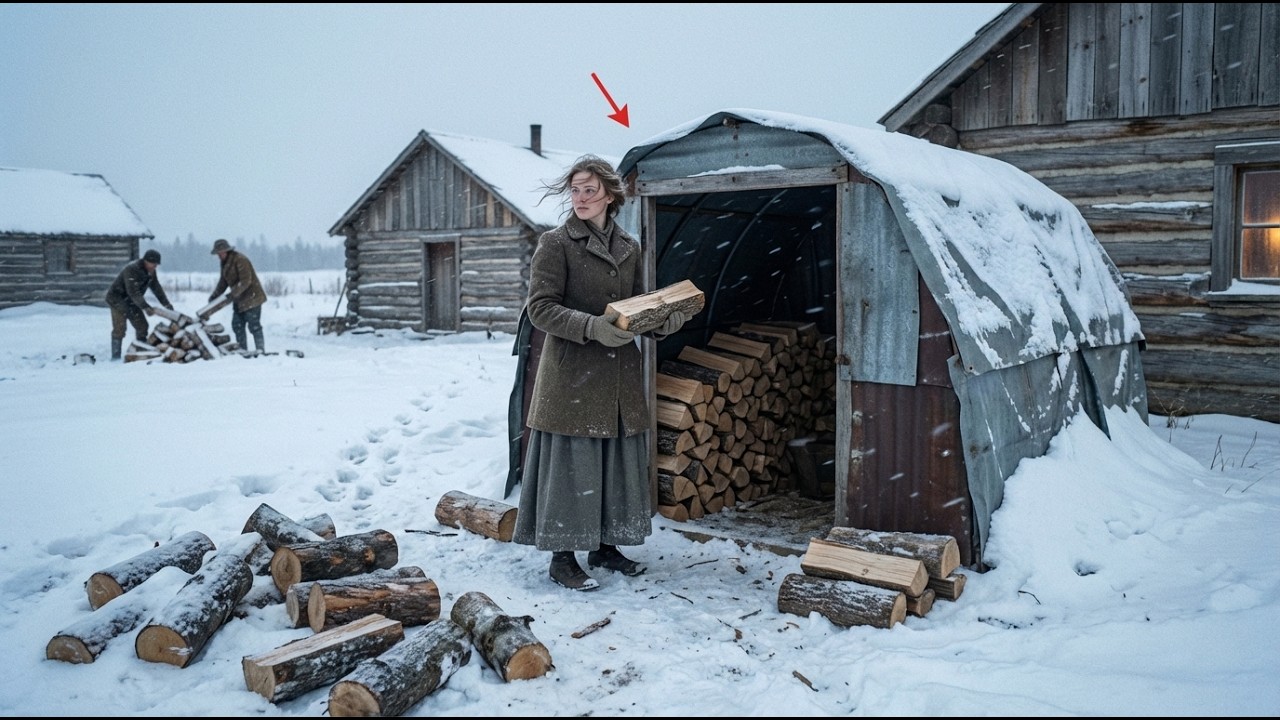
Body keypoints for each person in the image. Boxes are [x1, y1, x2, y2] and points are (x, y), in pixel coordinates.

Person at [512, 155, 689, 591]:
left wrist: (661, 322)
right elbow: (540, 308)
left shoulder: (629, 246)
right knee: (575, 466)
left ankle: (605, 547)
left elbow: (637, 306)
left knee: (612, 464)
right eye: (575, 190)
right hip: (572, 376)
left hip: (618, 377)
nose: (581, 198)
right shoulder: (556, 243)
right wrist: (591, 327)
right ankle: (563, 556)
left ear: (610, 195)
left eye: (590, 190)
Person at [104, 249, 174, 361]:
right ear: (146, 261)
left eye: (157, 264)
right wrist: (145, 307)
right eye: (153, 263)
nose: (155, 266)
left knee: (142, 326)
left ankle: (140, 351)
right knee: (120, 328)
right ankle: (115, 357)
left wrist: (167, 304)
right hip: (117, 299)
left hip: (132, 301)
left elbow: (156, 288)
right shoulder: (131, 269)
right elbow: (133, 292)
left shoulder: (151, 271)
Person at [208, 238, 268, 354]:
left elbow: (246, 281)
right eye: (218, 254)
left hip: (252, 298)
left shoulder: (240, 260)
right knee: (237, 325)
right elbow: (223, 282)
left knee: (254, 326)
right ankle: (242, 350)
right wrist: (215, 296)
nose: (219, 256)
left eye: (220, 253)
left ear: (226, 251)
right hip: (239, 300)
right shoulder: (224, 264)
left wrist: (232, 294)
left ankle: (260, 350)